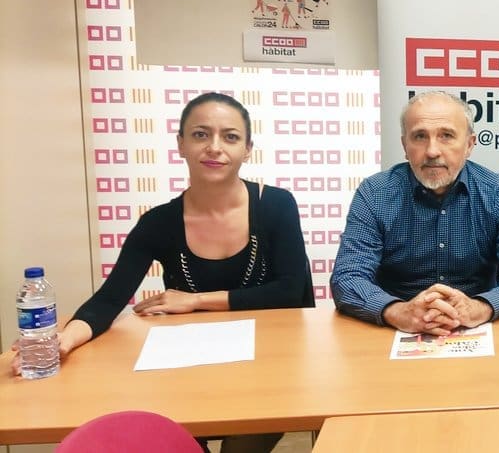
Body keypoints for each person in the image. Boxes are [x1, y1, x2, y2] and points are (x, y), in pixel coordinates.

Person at [10, 93, 314, 452]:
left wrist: (195, 301)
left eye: (230, 137)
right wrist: (64, 340)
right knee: (179, 440)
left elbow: (290, 291)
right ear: (181, 144)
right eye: (200, 134)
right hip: (189, 366)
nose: (215, 147)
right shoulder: (158, 222)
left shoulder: (276, 205)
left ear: (247, 149)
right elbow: (109, 299)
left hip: (269, 361)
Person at [330, 91, 499, 335]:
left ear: (469, 144)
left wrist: (480, 308)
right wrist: (398, 312)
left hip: (478, 328)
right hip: (394, 330)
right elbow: (348, 277)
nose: (432, 151)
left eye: (446, 136)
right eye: (420, 136)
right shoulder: (374, 193)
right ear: (404, 145)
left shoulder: (498, 193)